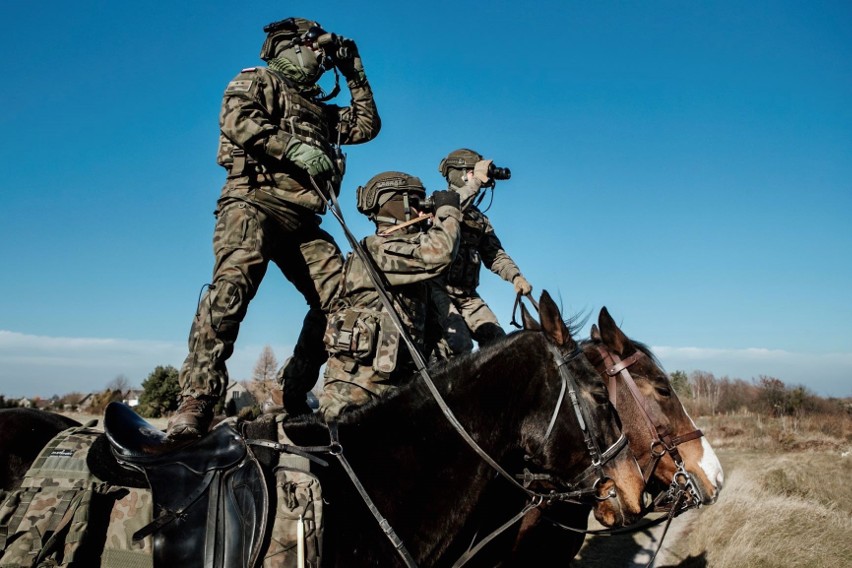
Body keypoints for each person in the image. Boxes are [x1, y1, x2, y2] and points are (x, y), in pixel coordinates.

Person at [168, 17, 381, 438]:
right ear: (289, 47)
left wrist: (356, 73)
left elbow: (365, 126)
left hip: (303, 218)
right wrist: (293, 147)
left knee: (342, 300)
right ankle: (196, 398)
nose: (322, 59)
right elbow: (236, 117)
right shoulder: (260, 80)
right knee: (231, 290)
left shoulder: (320, 109)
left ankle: (294, 394)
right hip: (254, 200)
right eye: (314, 48)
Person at [317, 169, 489, 420]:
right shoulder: (377, 249)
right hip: (357, 389)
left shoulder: (408, 266)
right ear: (398, 206)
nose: (423, 212)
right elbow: (439, 254)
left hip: (395, 389)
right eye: (417, 203)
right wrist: (448, 211)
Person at [427, 148, 532, 361]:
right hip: (437, 290)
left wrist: (515, 276)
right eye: (472, 172)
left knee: (498, 343)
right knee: (459, 344)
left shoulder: (478, 219)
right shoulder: (436, 202)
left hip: (467, 295)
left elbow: (494, 255)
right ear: (460, 173)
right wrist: (474, 183)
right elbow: (452, 207)